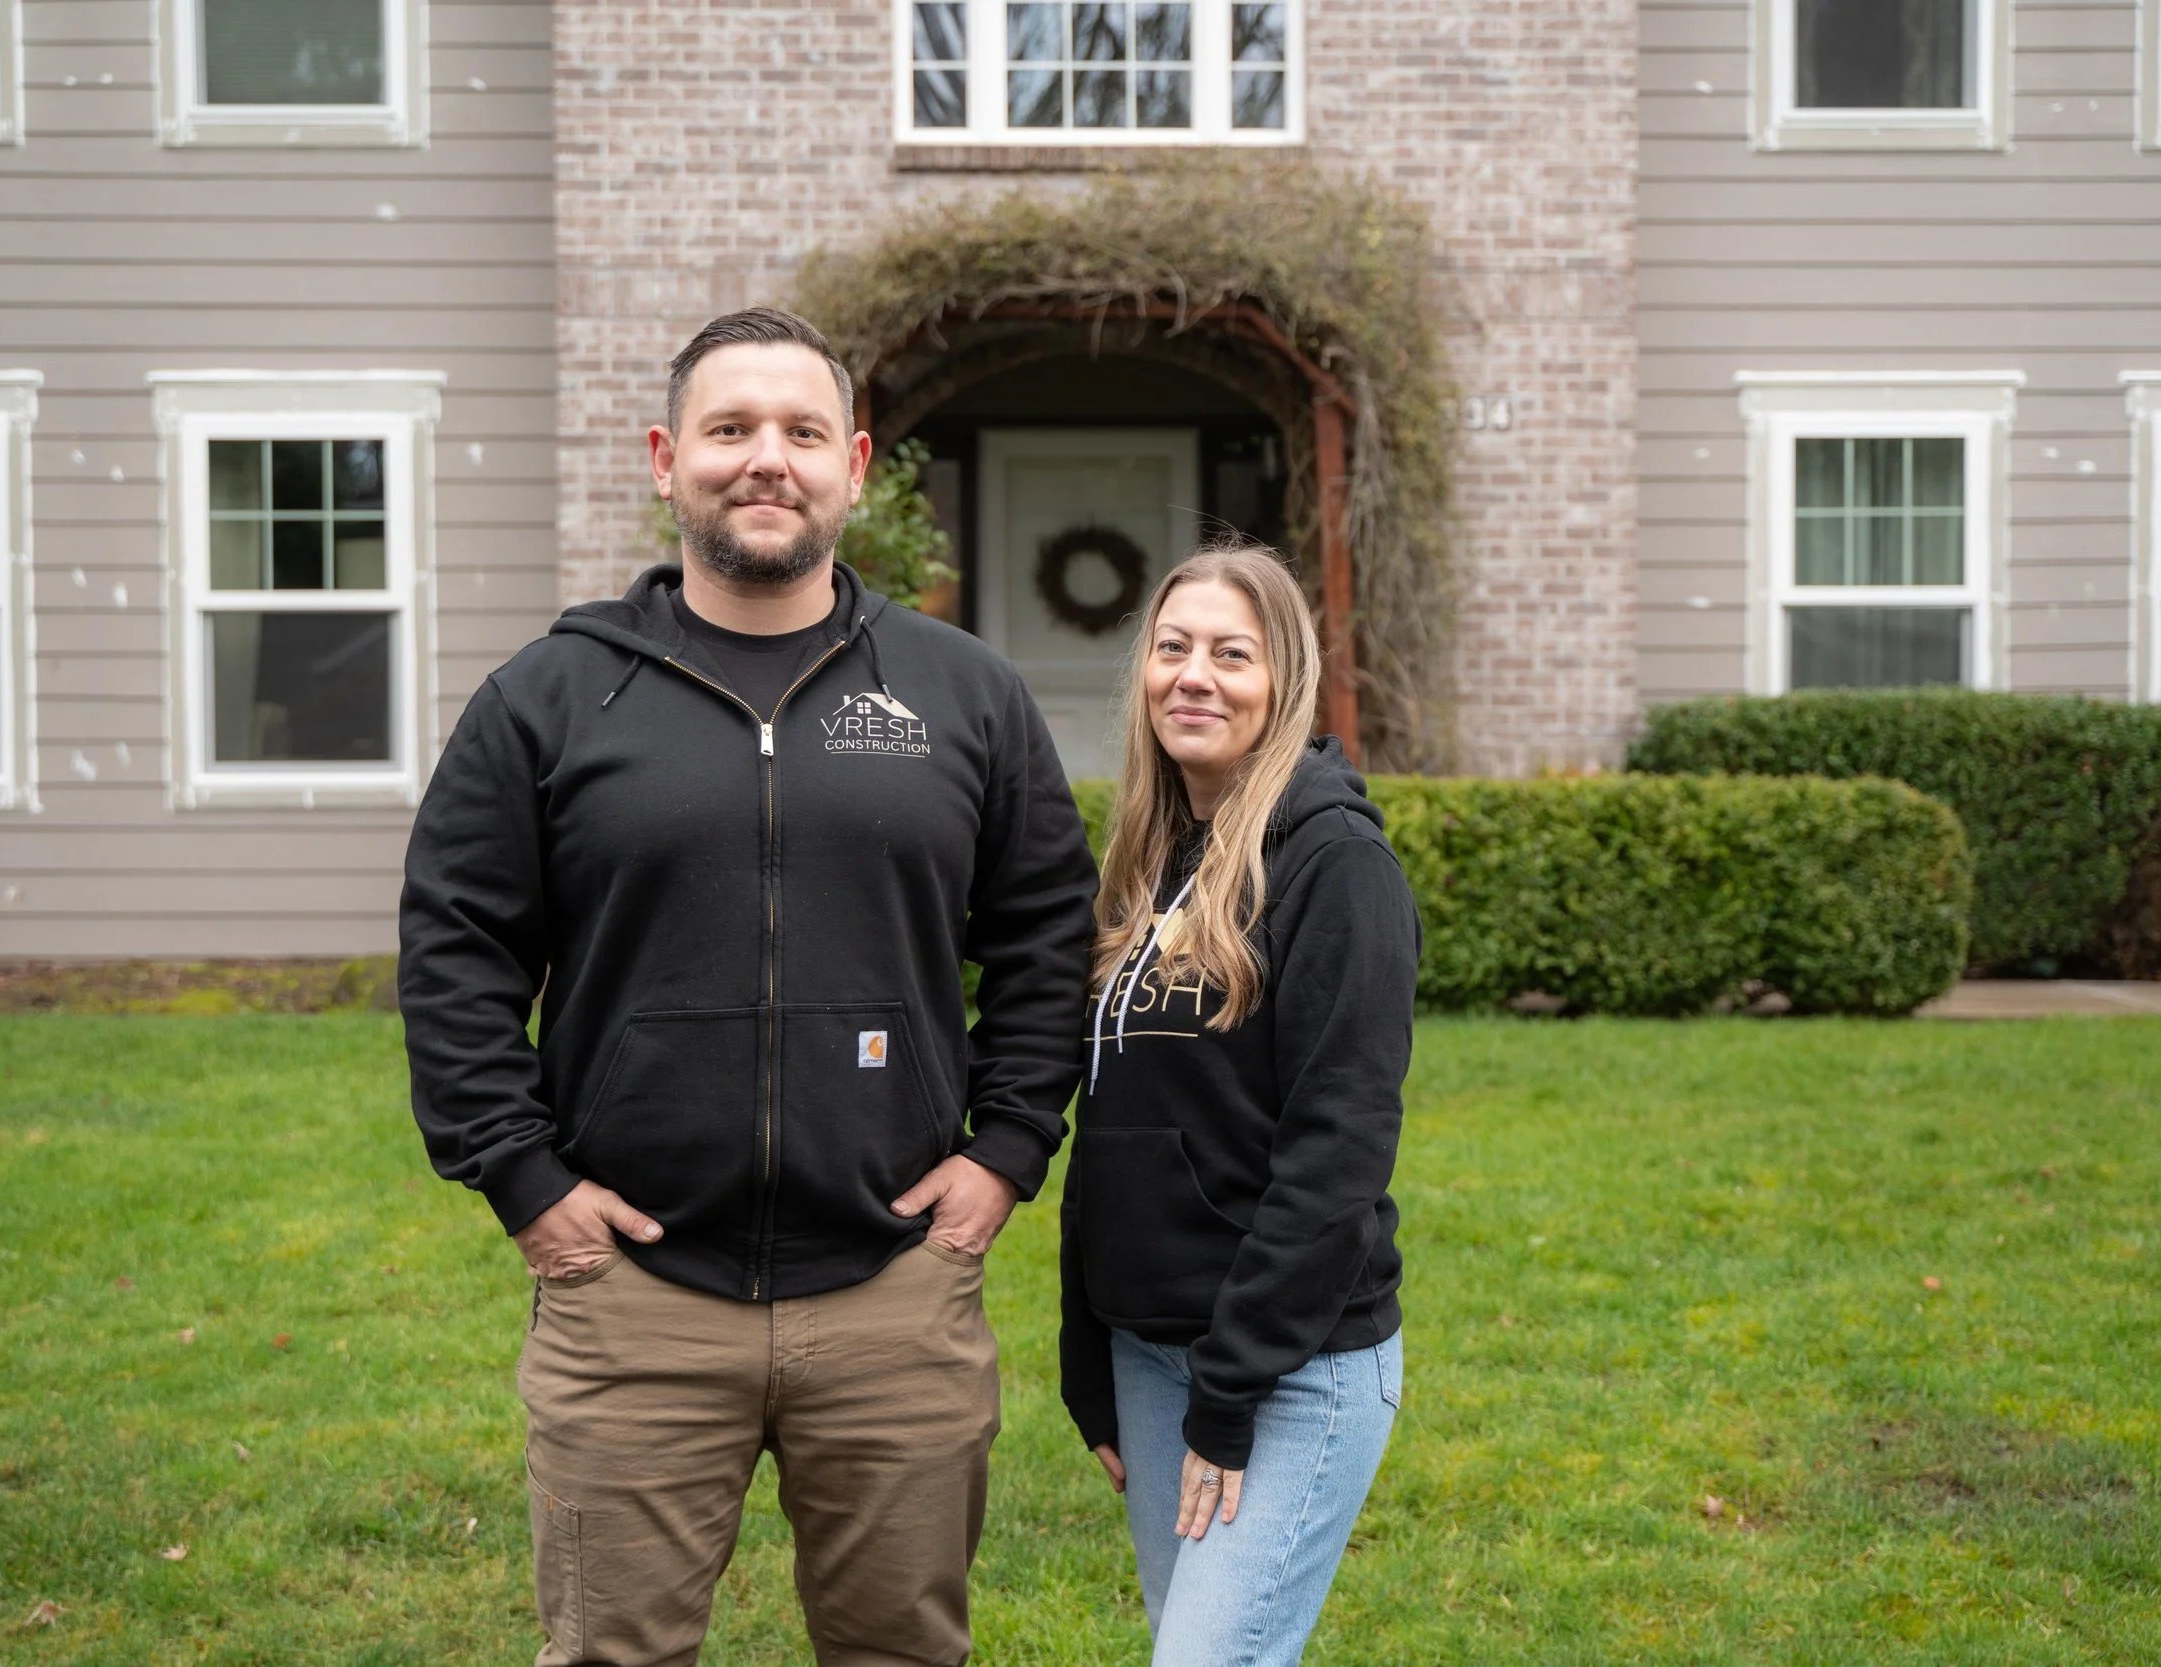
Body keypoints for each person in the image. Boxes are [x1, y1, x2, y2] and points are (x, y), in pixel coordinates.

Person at [399, 307, 1097, 1667]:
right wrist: (525, 1183)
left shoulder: (965, 695)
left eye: (799, 431)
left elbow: (1047, 933)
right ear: (668, 458)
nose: (764, 460)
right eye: (729, 430)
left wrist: (1007, 1152)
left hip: (894, 1287)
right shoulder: (547, 700)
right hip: (633, 1297)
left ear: (856, 463)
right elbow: (454, 951)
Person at [1060, 542, 1418, 1666]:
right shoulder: (1150, 858)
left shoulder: (1334, 864)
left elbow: (1338, 1149)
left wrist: (1231, 1388)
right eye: (1172, 649)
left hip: (1288, 1363)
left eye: (1230, 653)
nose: (1193, 676)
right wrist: (1086, 1340)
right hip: (1151, 1352)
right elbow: (1111, 1124)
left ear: (1284, 682)